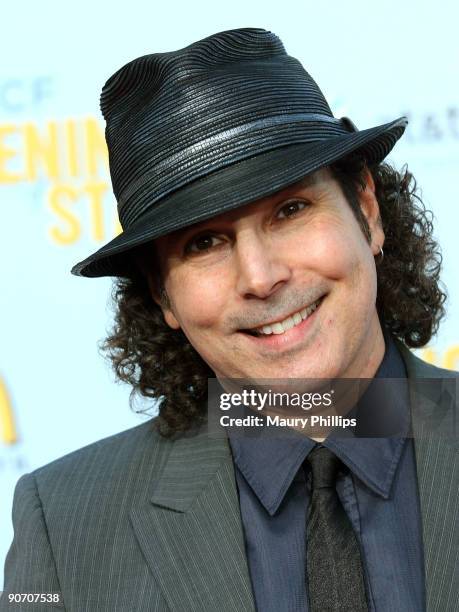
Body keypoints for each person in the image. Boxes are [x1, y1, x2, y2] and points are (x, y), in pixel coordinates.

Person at [1, 27, 458, 612]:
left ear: (366, 212)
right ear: (162, 294)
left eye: (291, 210)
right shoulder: (64, 526)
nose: (261, 276)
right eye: (204, 243)